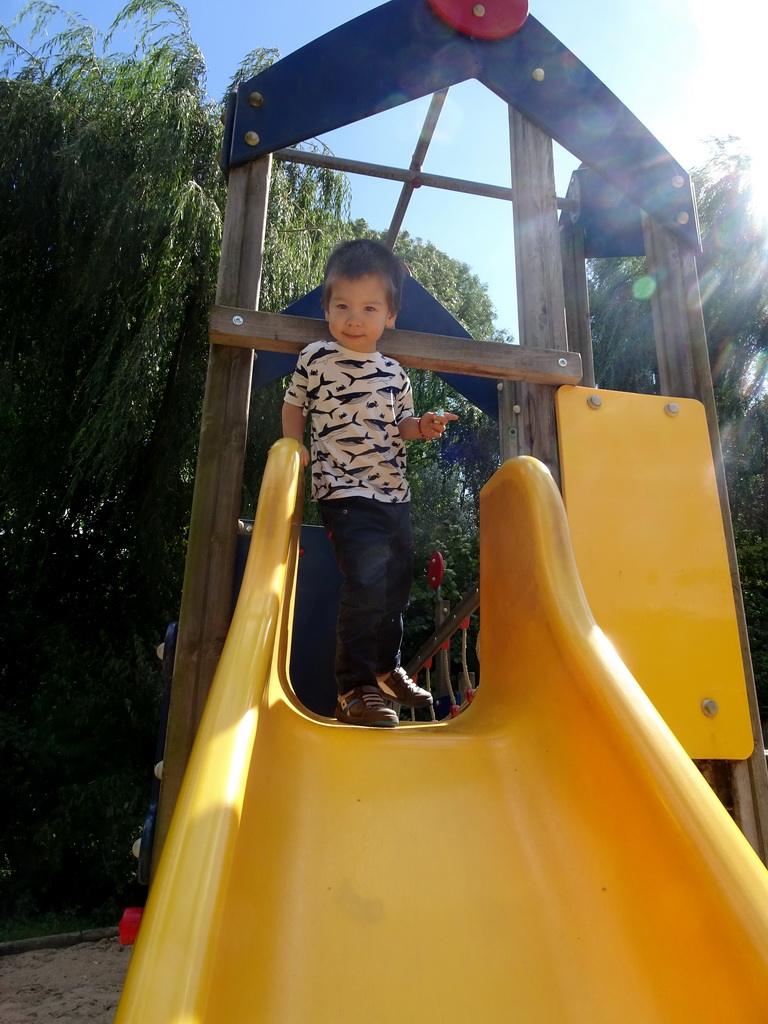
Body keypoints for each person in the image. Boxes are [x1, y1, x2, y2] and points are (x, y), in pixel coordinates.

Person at [282, 238, 458, 727]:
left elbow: (399, 423)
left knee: (396, 587)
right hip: (342, 491)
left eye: (367, 308)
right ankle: (353, 688)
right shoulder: (316, 358)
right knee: (364, 584)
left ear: (390, 316)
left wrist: (420, 426)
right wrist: (294, 445)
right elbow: (293, 405)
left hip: (392, 493)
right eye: (342, 306)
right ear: (326, 307)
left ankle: (385, 667)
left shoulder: (394, 373)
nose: (353, 319)